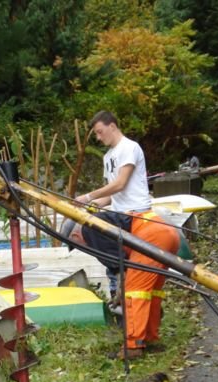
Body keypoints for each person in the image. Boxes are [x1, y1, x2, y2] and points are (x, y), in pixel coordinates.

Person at [60, 212, 180, 359]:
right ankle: (149, 339)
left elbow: (118, 264)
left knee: (135, 293)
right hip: (167, 233)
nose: (83, 249)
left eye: (76, 246)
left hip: (151, 236)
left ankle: (133, 346)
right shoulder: (101, 221)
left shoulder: (89, 229)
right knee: (151, 292)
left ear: (75, 236)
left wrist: (121, 291)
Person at [74, 110, 153, 299]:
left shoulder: (129, 147)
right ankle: (116, 287)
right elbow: (111, 195)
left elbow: (120, 184)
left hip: (135, 213)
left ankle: (122, 271)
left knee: (91, 227)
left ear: (112, 126)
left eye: (100, 132)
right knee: (87, 228)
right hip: (119, 213)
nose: (98, 138)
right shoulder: (108, 156)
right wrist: (91, 204)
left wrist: (88, 196)